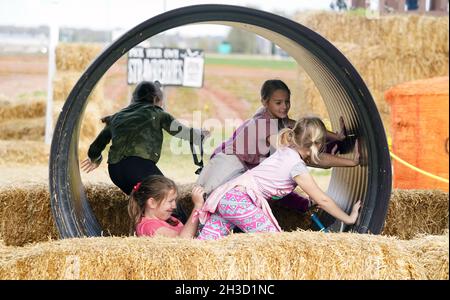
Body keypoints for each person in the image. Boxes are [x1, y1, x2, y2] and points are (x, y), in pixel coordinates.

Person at [196, 79, 358, 211]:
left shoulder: (271, 114)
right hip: (228, 164)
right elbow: (308, 157)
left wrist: (335, 136)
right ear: (265, 102)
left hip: (244, 161)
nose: (284, 107)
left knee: (279, 172)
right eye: (278, 102)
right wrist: (352, 162)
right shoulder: (266, 128)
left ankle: (303, 203)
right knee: (210, 202)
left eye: (287, 102)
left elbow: (302, 126)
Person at [197, 117, 361, 240]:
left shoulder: (285, 149)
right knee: (275, 243)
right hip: (240, 201)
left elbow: (319, 160)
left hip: (226, 196)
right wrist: (349, 218)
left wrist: (352, 162)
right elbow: (323, 200)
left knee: (206, 245)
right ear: (317, 145)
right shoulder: (296, 166)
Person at [81, 80, 209, 196]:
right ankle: (182, 222)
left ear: (133, 98)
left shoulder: (117, 117)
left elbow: (94, 149)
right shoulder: (158, 114)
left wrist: (96, 159)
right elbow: (183, 133)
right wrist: (200, 134)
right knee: (168, 196)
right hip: (138, 167)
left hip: (115, 171)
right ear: (156, 99)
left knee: (145, 202)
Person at [128, 175, 205, 238]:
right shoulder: (149, 227)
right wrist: (197, 206)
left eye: (175, 200)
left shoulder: (170, 219)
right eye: (170, 201)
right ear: (152, 203)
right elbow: (182, 240)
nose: (174, 206)